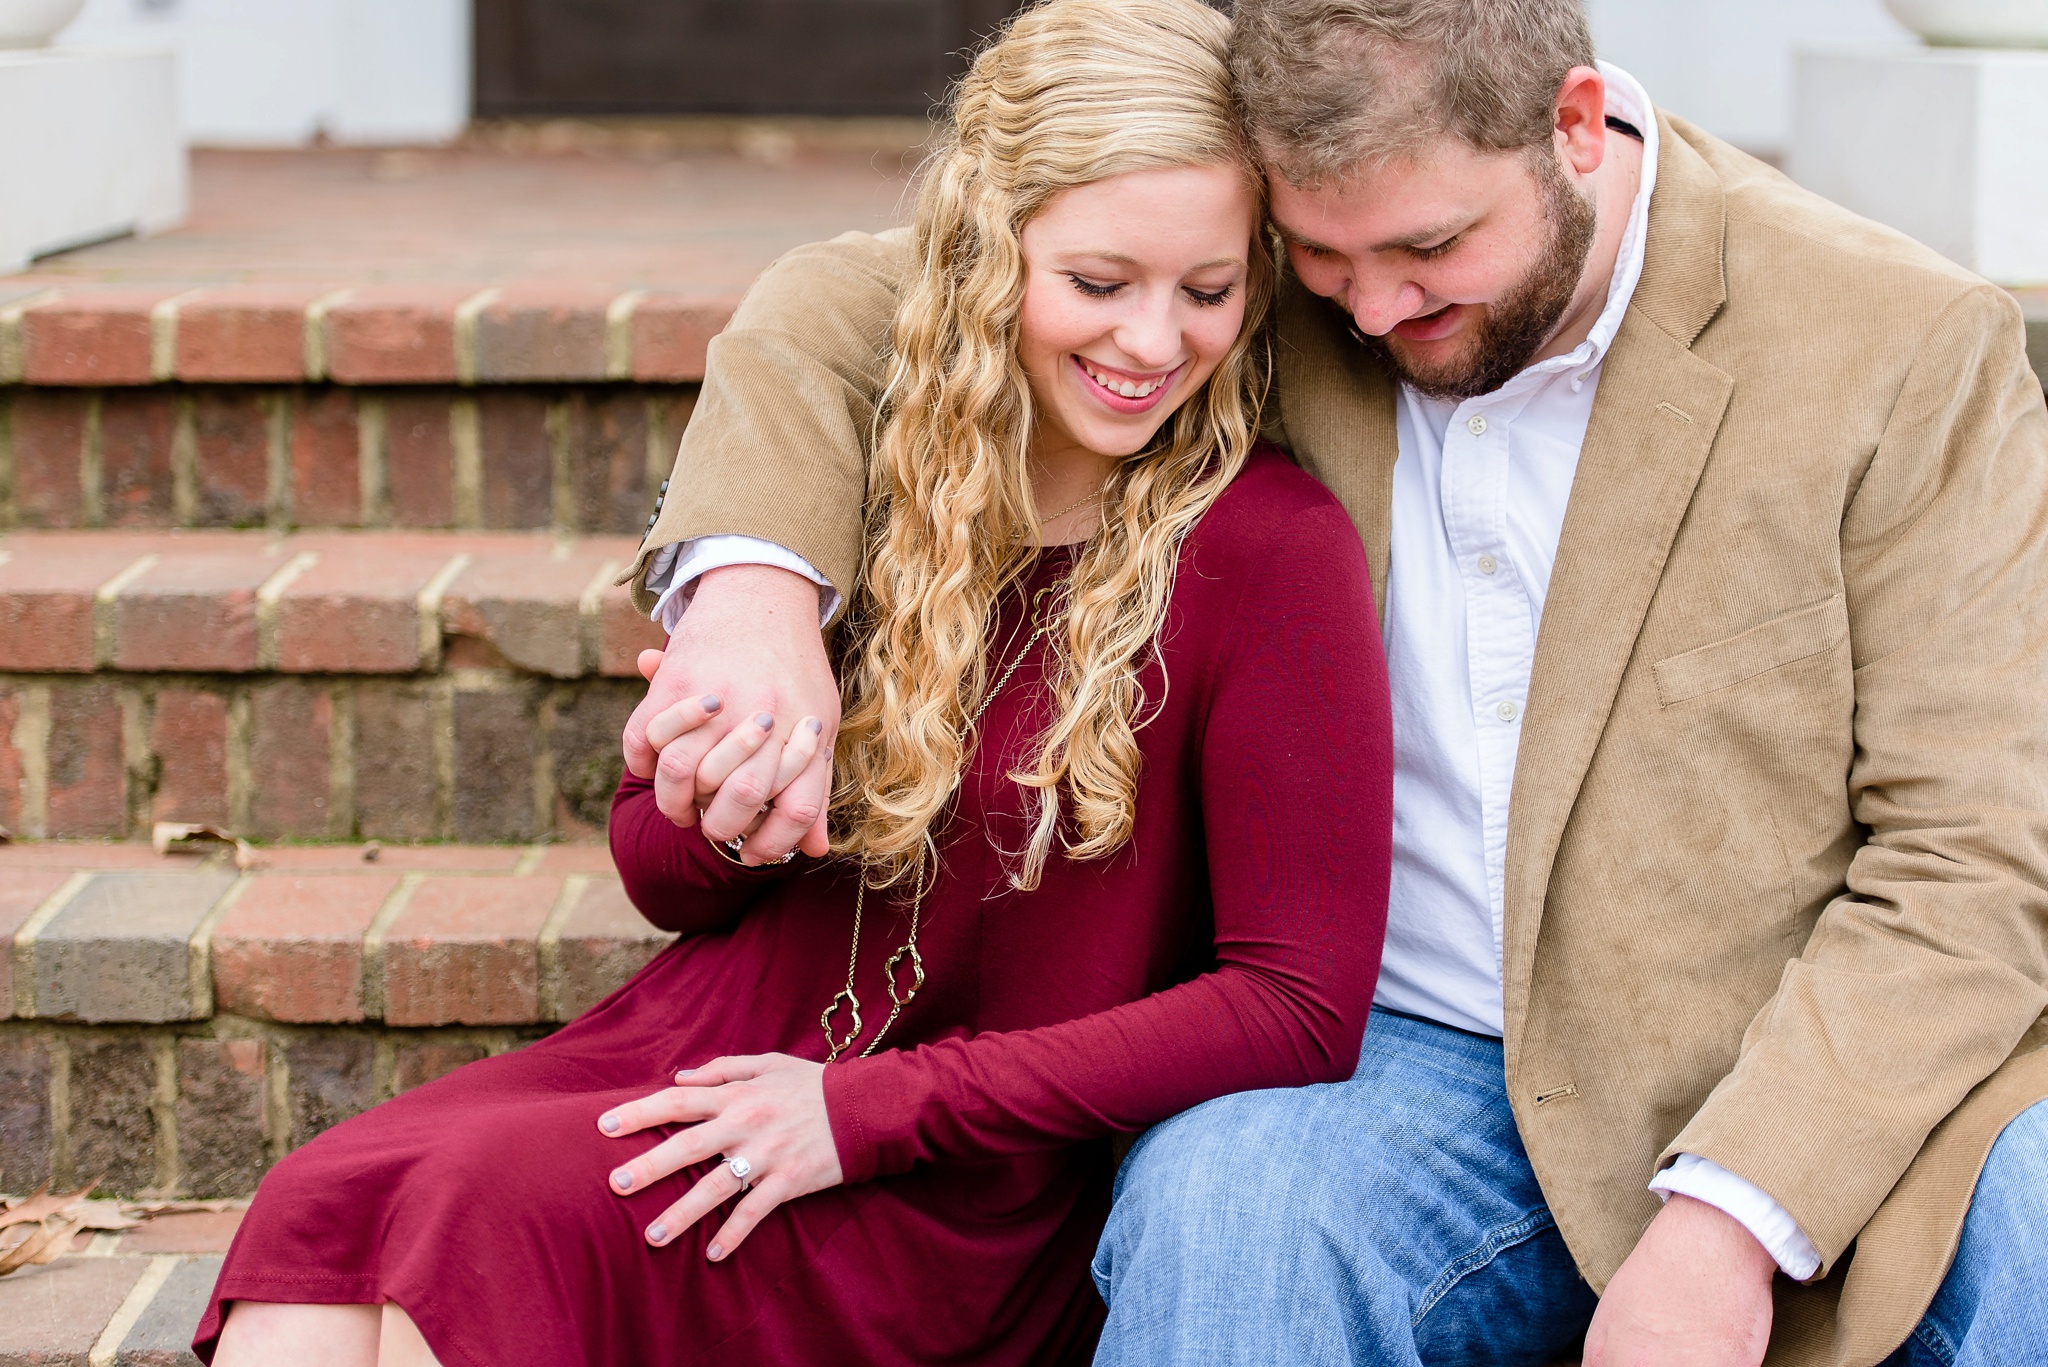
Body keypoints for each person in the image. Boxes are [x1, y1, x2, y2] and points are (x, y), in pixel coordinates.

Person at [619, 1, 2048, 1364]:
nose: (1372, 309)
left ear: (1575, 123)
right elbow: (853, 296)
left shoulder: (1896, 346)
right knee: (1229, 1208)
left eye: (1428, 247)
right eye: (1321, 261)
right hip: (1404, 1062)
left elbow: (1976, 857)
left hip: (1788, 1045)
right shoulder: (1295, 262)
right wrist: (751, 600)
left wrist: (1739, 1210)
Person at [193, 3, 1394, 1364]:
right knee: (323, 1214)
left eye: (1208, 290)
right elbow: (659, 873)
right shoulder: (872, 487)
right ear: (989, 255)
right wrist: (722, 794)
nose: (1154, 342)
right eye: (1100, 282)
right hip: (713, 1056)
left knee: (483, 1219)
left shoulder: (1267, 548)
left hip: (953, 1169)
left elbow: (1297, 1004)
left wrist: (866, 1116)